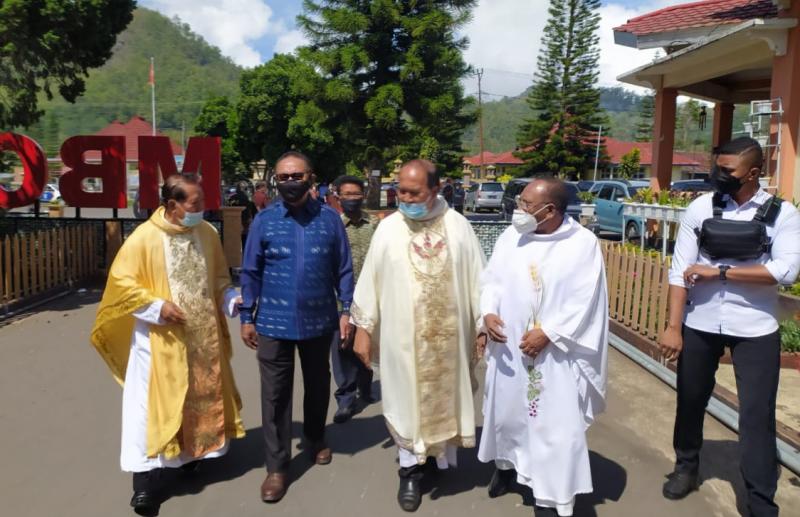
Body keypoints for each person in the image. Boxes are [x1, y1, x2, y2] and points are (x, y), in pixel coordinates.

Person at [659, 137, 800, 517]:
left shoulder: (781, 215)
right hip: (700, 322)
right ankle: (686, 467)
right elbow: (679, 270)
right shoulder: (701, 207)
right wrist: (674, 326)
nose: (719, 176)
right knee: (690, 399)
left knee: (756, 413)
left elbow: (785, 271)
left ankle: (759, 499)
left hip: (755, 327)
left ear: (754, 173)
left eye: (728, 172)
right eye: (717, 167)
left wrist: (719, 271)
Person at [90, 174, 245, 516]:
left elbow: (219, 277)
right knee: (149, 408)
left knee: (198, 398)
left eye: (202, 201)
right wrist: (157, 307)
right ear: (172, 205)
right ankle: (145, 483)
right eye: (194, 204)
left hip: (201, 338)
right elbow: (121, 283)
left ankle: (189, 458)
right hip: (159, 340)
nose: (201, 209)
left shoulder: (208, 234)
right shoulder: (145, 238)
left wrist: (229, 297)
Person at [351, 159, 484, 512]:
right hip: (402, 343)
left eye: (413, 192)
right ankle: (409, 472)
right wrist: (363, 329)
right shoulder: (389, 229)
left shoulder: (458, 227)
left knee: (446, 401)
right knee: (404, 402)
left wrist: (483, 325)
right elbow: (371, 282)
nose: (403, 197)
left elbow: (478, 281)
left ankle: (439, 461)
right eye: (400, 190)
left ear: (435, 190)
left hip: (449, 343)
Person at [477, 178, 608, 517]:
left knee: (552, 427)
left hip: (554, 355)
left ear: (550, 210)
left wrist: (548, 332)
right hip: (509, 349)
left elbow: (586, 299)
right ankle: (506, 467)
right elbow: (493, 279)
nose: (518, 210)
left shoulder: (582, 244)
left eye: (524, 204)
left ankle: (551, 496)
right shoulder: (511, 236)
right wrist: (488, 313)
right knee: (507, 416)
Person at [239, 151, 354, 504]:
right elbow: (251, 270)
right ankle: (277, 467)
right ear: (276, 180)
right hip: (273, 322)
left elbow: (344, 268)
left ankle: (317, 438)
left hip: (320, 320)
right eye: (283, 177)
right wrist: (247, 315)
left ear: (311, 177)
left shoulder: (330, 220)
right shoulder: (265, 220)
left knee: (318, 384)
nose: (290, 182)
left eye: (296, 175)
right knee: (275, 395)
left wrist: (346, 310)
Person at [330, 175, 378, 424]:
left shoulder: (375, 224)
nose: (352, 199)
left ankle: (366, 386)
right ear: (338, 197)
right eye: (346, 194)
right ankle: (346, 400)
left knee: (367, 344)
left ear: (363, 195)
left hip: (371, 298)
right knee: (343, 348)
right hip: (341, 299)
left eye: (356, 194)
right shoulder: (334, 225)